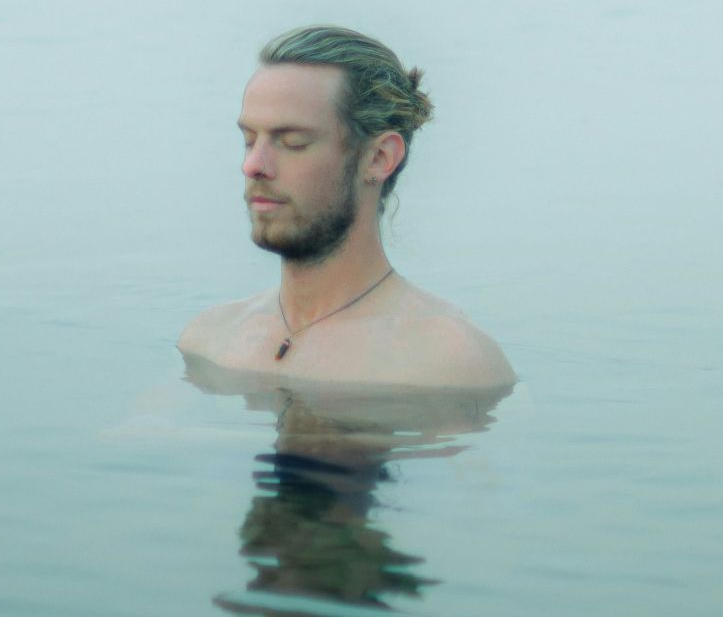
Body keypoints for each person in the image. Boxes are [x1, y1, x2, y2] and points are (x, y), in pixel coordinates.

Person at [178, 25, 515, 388]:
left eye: (293, 142)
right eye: (249, 140)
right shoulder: (210, 340)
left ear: (379, 158)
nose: (253, 165)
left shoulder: (447, 363)